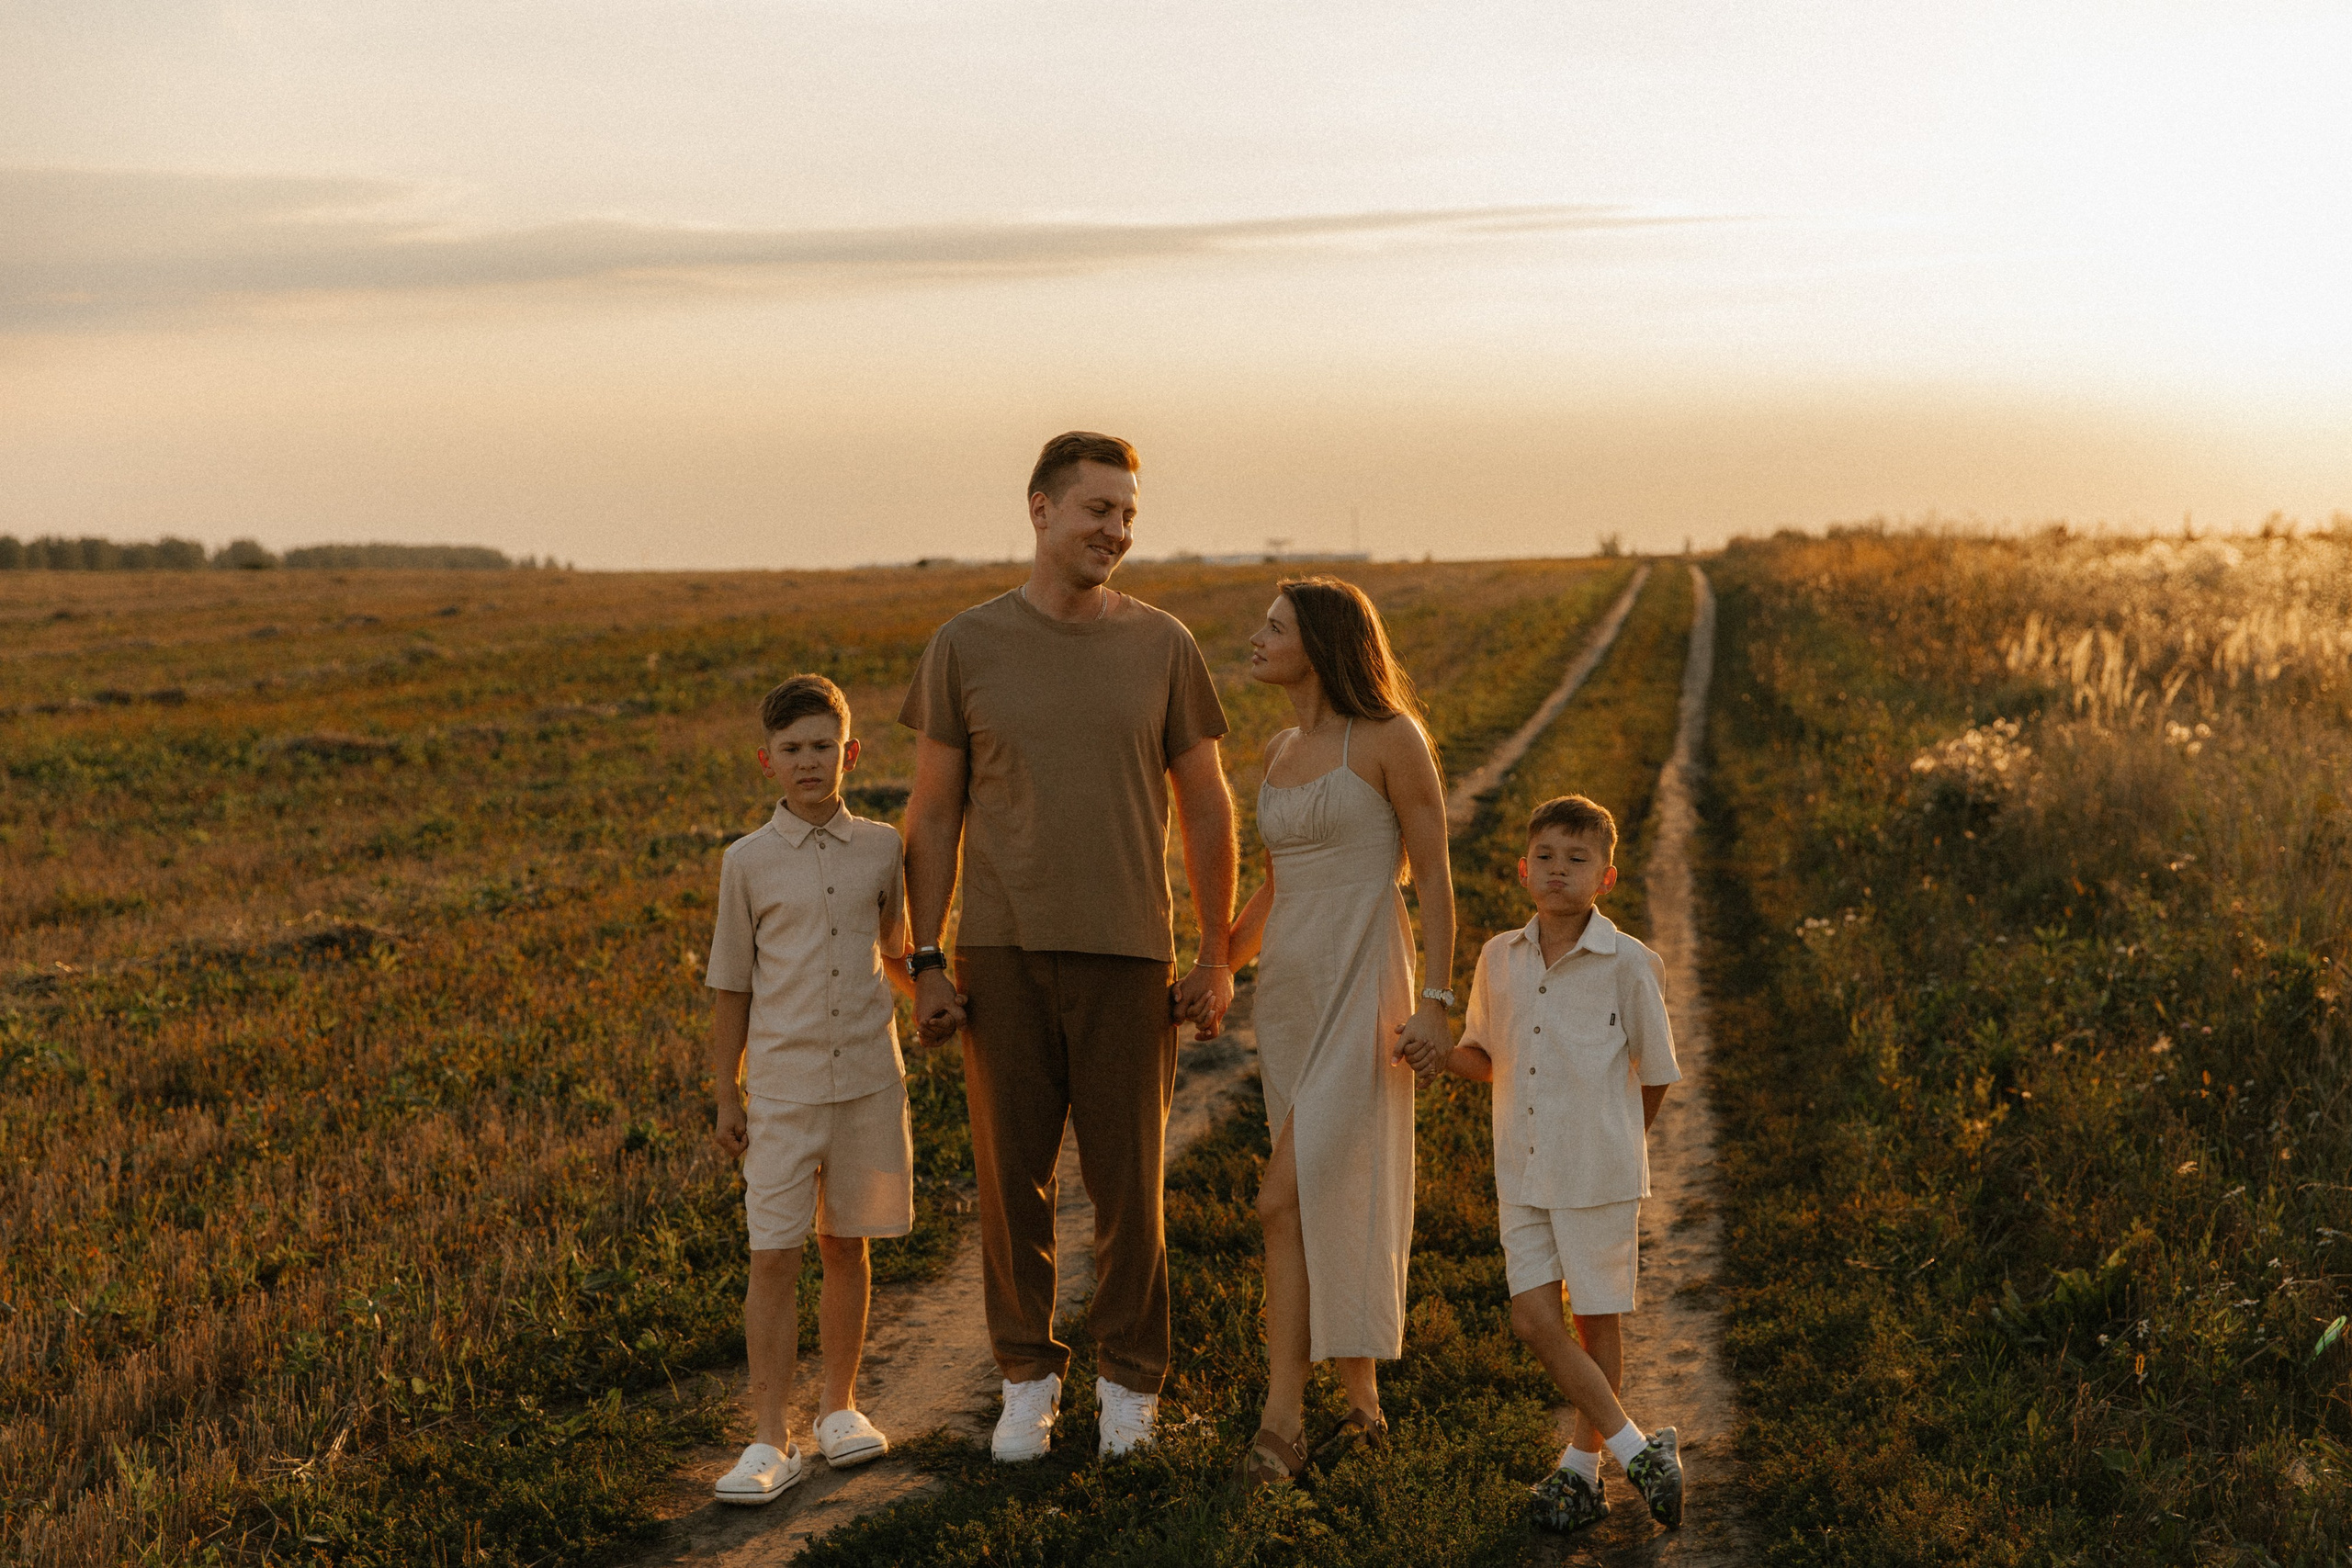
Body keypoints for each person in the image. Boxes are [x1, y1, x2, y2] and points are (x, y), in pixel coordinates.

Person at [899, 431, 1237, 1462]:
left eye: (1128, 513)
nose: (1117, 531)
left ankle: (1130, 1385)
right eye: (1099, 510)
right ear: (1040, 509)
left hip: (1131, 954)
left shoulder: (1164, 645)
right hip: (999, 953)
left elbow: (1210, 810)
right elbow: (933, 815)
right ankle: (1024, 1380)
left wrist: (1217, 956)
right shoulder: (965, 644)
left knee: (1133, 1187)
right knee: (1011, 1187)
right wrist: (925, 960)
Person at [1223, 577, 1455, 1487]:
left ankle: (1280, 1422)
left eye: (1272, 628)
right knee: (1327, 1192)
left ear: (1319, 643)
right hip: (1288, 993)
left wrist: (1436, 999)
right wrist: (1217, 967)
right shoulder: (1279, 748)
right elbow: (1276, 882)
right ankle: (1362, 1410)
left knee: (1283, 1198)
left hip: (1366, 985)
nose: (1255, 639)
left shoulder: (1391, 739)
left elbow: (1432, 874)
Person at [1407, 794, 1687, 1533]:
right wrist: (1436, 1054)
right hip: (1522, 1174)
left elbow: (1655, 1070)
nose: (1559, 870)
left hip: (1598, 1171)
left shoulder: (1628, 963)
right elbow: (1486, 1055)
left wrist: (1623, 1137)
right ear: (1522, 868)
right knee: (1533, 1318)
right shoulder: (1500, 956)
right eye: (1546, 857)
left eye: (1577, 859)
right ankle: (1639, 1452)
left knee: (1596, 1321)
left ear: (1607, 877)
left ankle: (1583, 1469)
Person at [704, 674, 918, 1505]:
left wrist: (937, 996)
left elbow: (897, 954)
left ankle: (840, 1407)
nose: (808, 761)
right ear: (767, 761)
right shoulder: (746, 864)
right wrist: (728, 1092)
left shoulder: (883, 847)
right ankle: (769, 1434)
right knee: (773, 1253)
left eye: (823, 746)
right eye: (791, 749)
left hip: (867, 1080)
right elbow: (732, 986)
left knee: (847, 1244)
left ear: (850, 752)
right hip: (784, 1092)